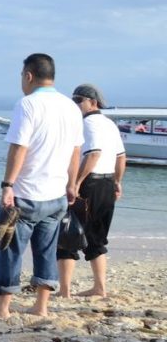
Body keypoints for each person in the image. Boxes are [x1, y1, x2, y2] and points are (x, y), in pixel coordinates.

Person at [0, 53, 82, 319]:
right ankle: (41, 307)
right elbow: (76, 151)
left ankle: (3, 307)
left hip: (27, 193)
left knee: (7, 248)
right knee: (47, 250)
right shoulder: (71, 107)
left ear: (28, 75)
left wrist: (8, 184)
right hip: (56, 194)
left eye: (22, 76)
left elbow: (19, 146)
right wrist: (72, 183)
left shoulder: (27, 104)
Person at [57, 84, 127, 298]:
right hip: (106, 183)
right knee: (97, 237)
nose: (75, 105)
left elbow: (93, 154)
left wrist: (76, 183)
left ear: (93, 102)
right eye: (73, 101)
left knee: (68, 234)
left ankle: (65, 290)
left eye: (79, 100)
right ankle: (99, 287)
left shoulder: (88, 124)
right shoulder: (109, 124)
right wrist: (117, 181)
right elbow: (121, 157)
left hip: (89, 185)